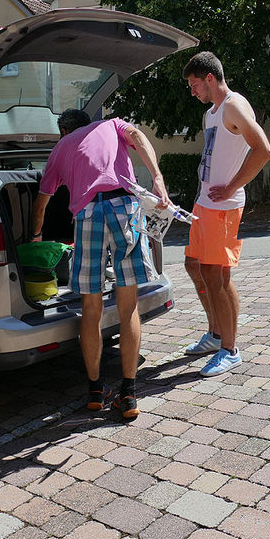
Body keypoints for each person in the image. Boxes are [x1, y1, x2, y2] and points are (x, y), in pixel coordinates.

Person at [30, 109, 169, 420]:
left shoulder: (61, 148)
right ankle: (129, 394)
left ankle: (95, 392)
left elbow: (42, 202)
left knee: (90, 308)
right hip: (125, 208)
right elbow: (137, 136)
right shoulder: (112, 125)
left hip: (88, 215)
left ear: (64, 131)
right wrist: (157, 179)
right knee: (128, 305)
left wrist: (36, 236)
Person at [181, 51, 270, 377]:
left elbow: (263, 150)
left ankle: (230, 350)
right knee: (194, 266)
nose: (192, 91)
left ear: (209, 78)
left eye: (194, 84)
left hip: (223, 208)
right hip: (204, 204)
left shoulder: (233, 104)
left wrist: (233, 186)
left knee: (218, 278)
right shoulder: (212, 113)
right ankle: (216, 333)